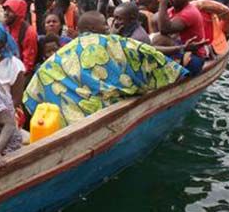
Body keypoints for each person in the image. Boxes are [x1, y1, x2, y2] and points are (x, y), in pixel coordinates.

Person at [24, 11, 187, 126]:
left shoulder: (59, 55)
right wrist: (180, 67)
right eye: (105, 25)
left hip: (66, 119)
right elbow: (148, 54)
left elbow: (34, 88)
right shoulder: (115, 43)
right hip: (103, 114)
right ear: (95, 29)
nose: (109, 28)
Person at [155, 0, 209, 74]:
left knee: (159, 39)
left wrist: (163, 3)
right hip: (180, 49)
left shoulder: (189, 12)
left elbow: (164, 29)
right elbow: (155, 22)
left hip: (194, 58)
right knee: (154, 41)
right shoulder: (172, 10)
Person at [2, 0, 37, 72]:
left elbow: (28, 62)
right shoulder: (4, 27)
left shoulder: (28, 32)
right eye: (5, 10)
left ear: (18, 13)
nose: (6, 13)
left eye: (10, 10)